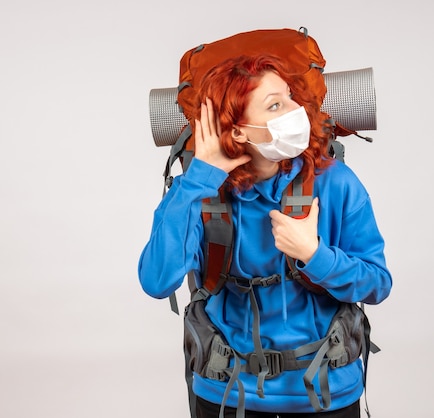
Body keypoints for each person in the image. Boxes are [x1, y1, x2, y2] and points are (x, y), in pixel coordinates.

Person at [137, 54, 392, 418]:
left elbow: (377, 285)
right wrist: (196, 182)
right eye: (275, 105)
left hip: (325, 394)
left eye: (290, 96)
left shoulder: (335, 182)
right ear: (238, 131)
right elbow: (156, 281)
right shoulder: (197, 193)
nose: (296, 110)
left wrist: (314, 254)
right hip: (226, 391)